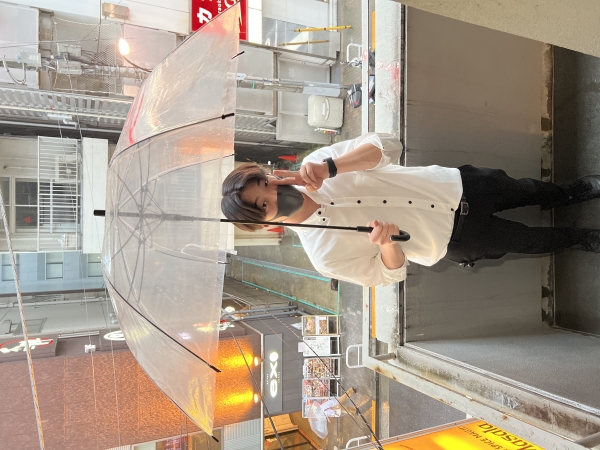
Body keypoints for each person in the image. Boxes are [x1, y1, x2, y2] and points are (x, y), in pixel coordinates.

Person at [221, 132, 600, 287]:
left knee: (527, 190)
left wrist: (332, 167)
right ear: (266, 224)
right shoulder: (324, 255)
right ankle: (580, 238)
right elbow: (389, 276)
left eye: (266, 182)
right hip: (455, 238)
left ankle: (570, 193)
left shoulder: (318, 163)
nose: (275, 193)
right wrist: (387, 245)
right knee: (529, 242)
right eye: (265, 204)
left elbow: (388, 146)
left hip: (457, 185)